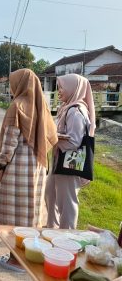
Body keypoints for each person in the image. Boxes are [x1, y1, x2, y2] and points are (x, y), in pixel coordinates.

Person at [0, 68, 58, 272]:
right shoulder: (41, 106)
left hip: (16, 171)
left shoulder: (17, 106)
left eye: (12, 83)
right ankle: (28, 255)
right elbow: (51, 137)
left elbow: (9, 143)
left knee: (12, 217)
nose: (11, 87)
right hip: (36, 170)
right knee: (29, 214)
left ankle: (15, 259)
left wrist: (0, 167)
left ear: (19, 84)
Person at [45, 73, 95, 229]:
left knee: (67, 203)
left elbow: (74, 142)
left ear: (74, 88)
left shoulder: (75, 111)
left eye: (62, 87)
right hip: (60, 161)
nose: (59, 91)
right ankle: (52, 229)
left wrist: (53, 136)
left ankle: (67, 236)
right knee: (50, 195)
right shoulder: (66, 108)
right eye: (58, 87)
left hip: (70, 163)